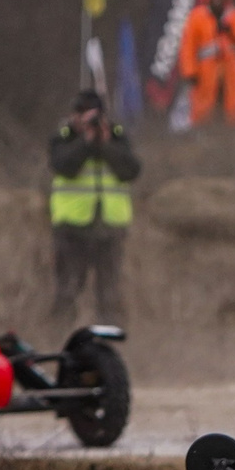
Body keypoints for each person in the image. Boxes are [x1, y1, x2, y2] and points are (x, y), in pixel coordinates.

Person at [48, 91, 140, 327]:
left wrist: (106, 144)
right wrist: (86, 142)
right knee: (68, 289)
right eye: (83, 116)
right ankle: (59, 334)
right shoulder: (64, 138)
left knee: (109, 292)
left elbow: (131, 170)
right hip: (72, 226)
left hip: (109, 225)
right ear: (73, 116)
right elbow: (63, 166)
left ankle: (111, 336)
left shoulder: (116, 138)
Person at [181, 0, 235, 128]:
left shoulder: (233, 15)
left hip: (230, 68)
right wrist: (190, 71)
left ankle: (229, 135)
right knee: (204, 105)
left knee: (232, 104)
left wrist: (230, 30)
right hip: (205, 70)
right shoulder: (197, 17)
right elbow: (188, 45)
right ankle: (204, 136)